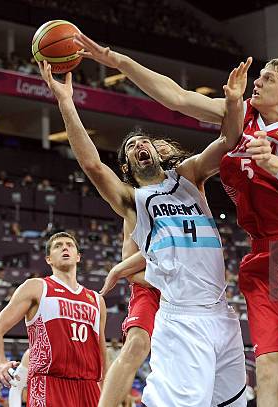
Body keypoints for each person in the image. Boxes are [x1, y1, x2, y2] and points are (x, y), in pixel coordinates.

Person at [73, 33, 278, 406]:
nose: (257, 81)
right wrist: (116, 61)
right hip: (260, 250)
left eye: (267, 77)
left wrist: (273, 162)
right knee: (268, 364)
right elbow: (175, 97)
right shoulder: (239, 117)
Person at [38, 53, 250, 407]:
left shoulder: (189, 176)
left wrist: (232, 101)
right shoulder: (133, 199)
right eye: (131, 147)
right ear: (126, 165)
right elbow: (92, 164)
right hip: (181, 316)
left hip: (222, 314)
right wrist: (65, 102)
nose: (140, 145)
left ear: (156, 151)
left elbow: (230, 140)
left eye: (143, 142)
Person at [97, 138, 191, 407]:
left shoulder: (187, 194)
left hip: (187, 293)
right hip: (151, 290)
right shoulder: (136, 204)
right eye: (133, 146)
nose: (157, 149)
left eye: (162, 148)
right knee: (137, 345)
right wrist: (164, 279)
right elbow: (130, 269)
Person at [0, 232, 107, 406]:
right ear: (49, 259)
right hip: (49, 381)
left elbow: (101, 352)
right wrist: (0, 363)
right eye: (58, 246)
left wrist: (108, 388)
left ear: (78, 257)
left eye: (69, 245)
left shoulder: (96, 299)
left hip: (89, 385)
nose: (65, 247)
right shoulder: (36, 287)